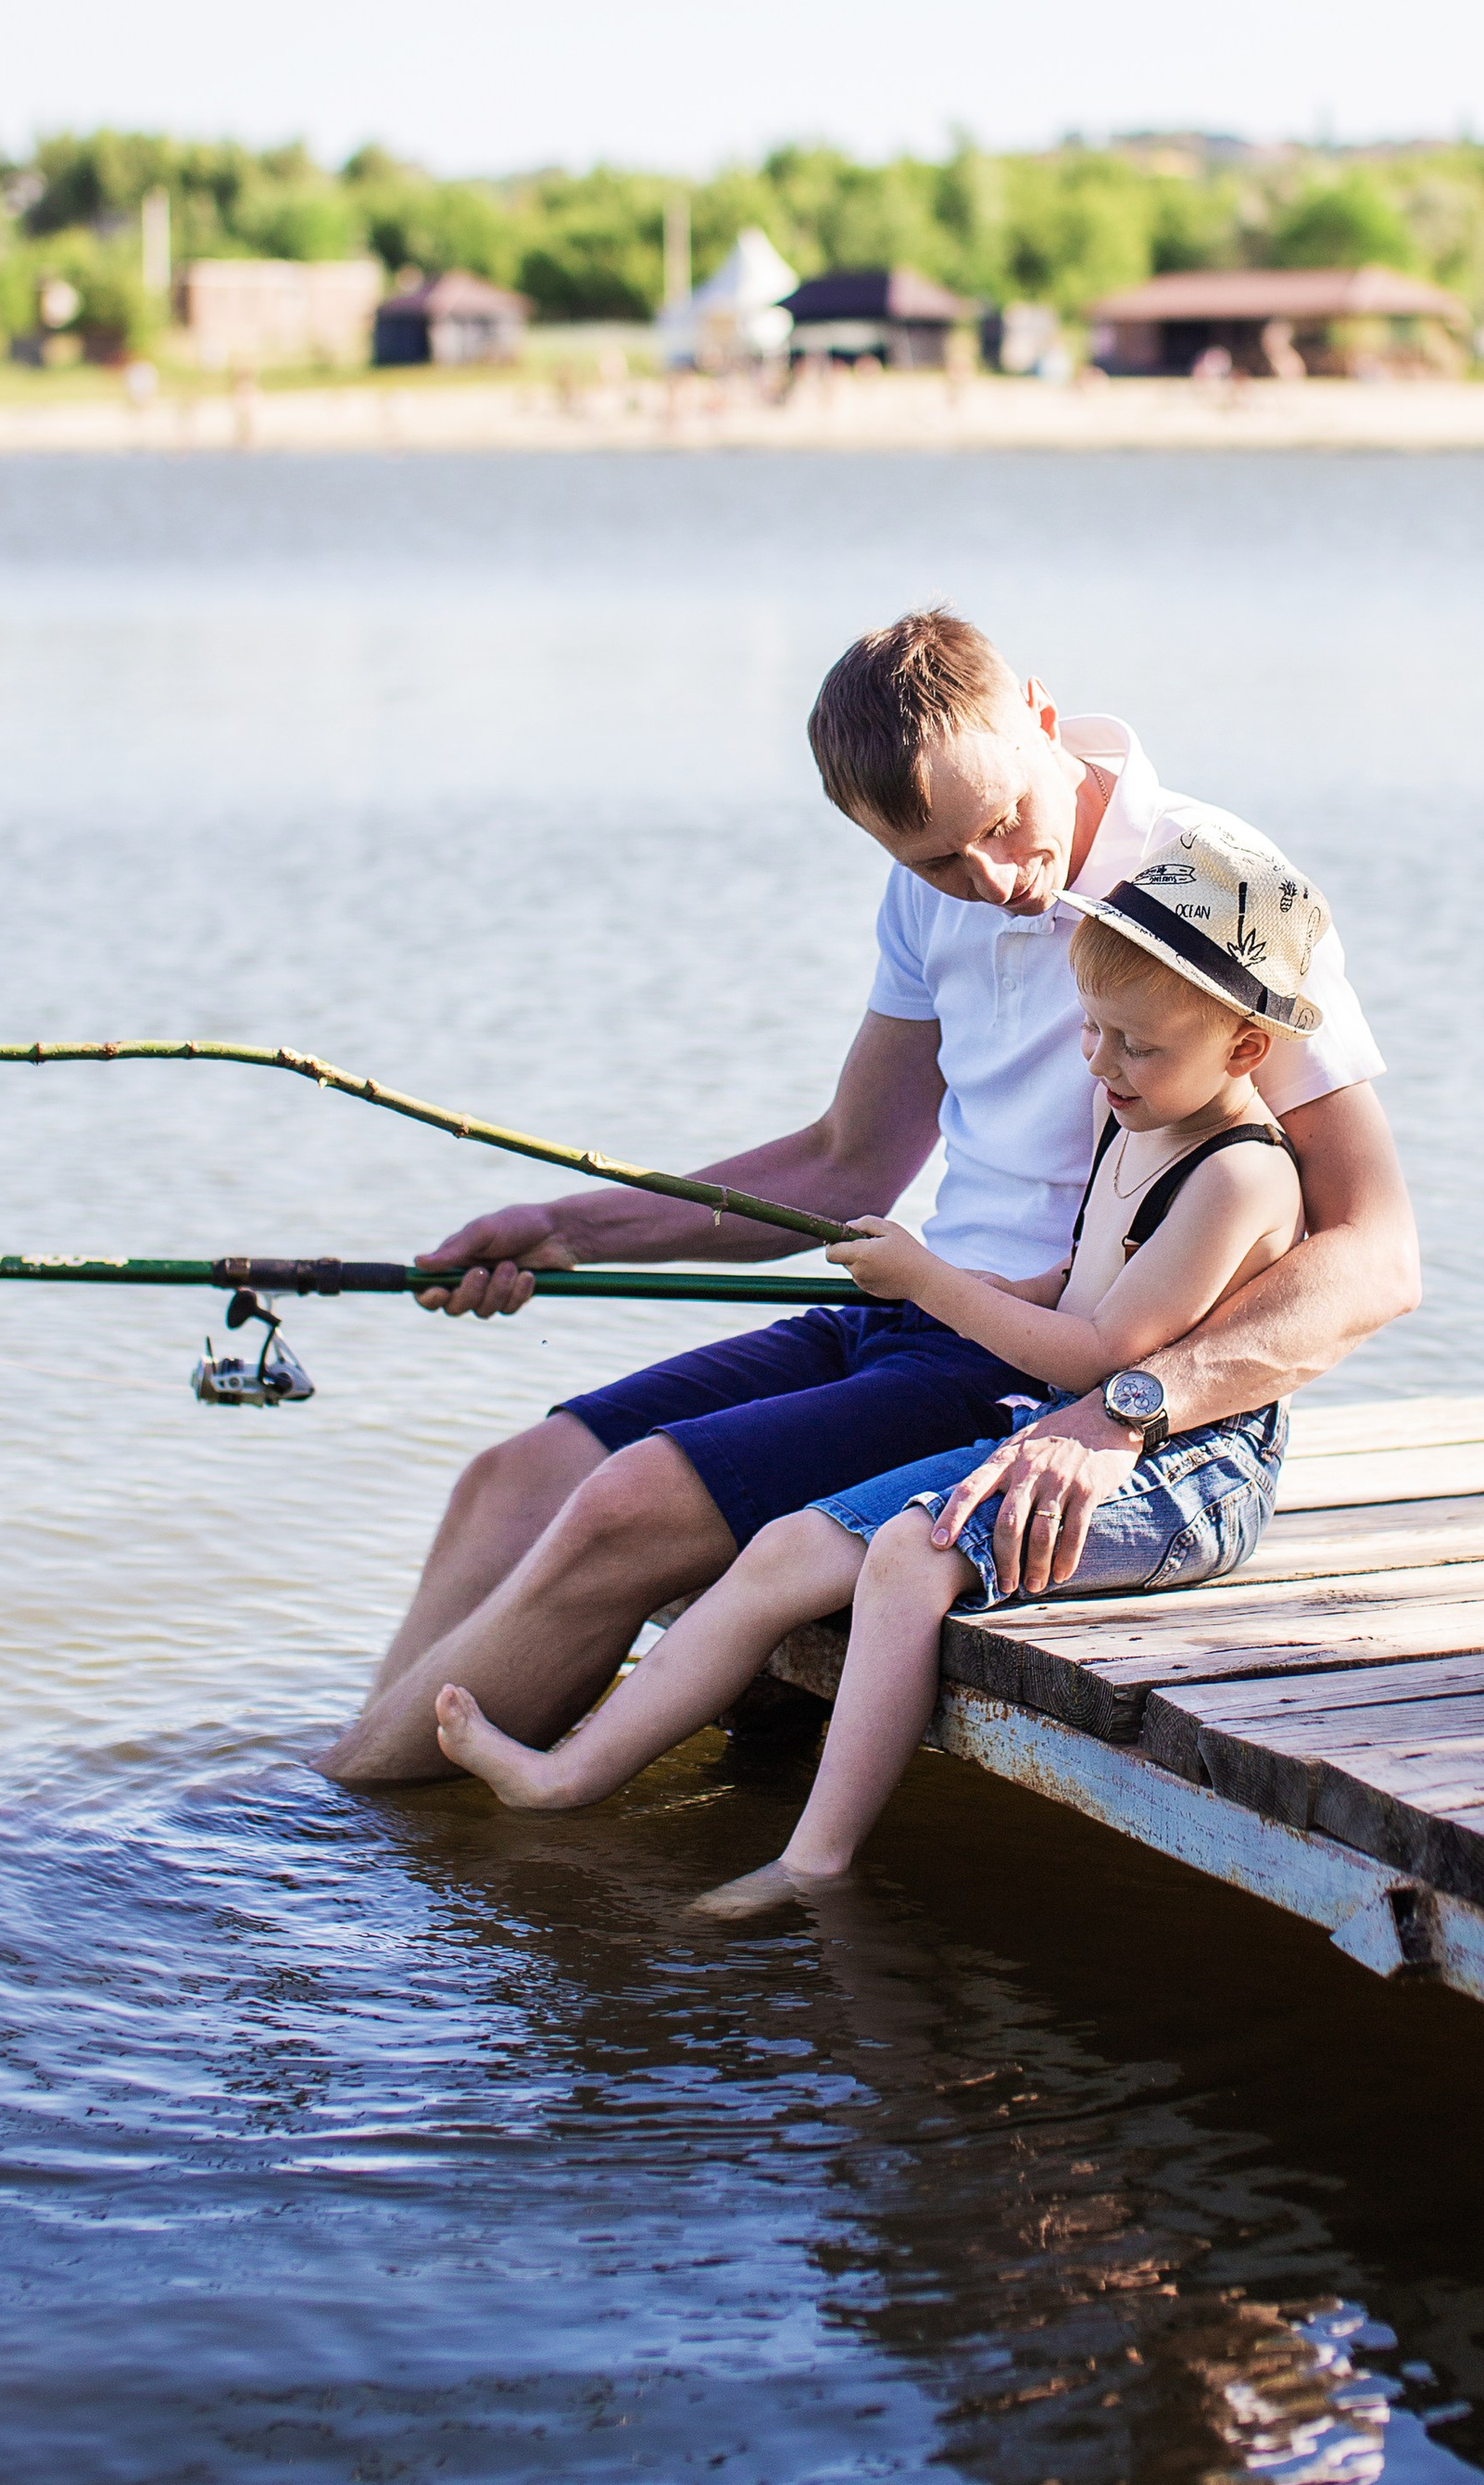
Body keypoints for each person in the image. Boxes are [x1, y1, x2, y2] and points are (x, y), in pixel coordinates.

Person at [320, 609, 1418, 1783]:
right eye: (936, 860)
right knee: (520, 1477)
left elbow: (1375, 1252)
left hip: (1030, 1358)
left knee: (623, 1506)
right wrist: (562, 1232)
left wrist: (1127, 1409)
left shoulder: (1212, 890)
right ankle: (366, 1794)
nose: (991, 879)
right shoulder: (928, 899)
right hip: (913, 1310)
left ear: (1039, 717)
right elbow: (845, 1163)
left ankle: (330, 1828)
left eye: (1003, 825)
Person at [431, 846, 1315, 1902]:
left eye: (1137, 1045)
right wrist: (972, 1279)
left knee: (907, 1556)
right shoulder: (1140, 1117)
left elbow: (1104, 1351)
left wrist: (931, 1286)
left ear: (1245, 1044)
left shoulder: (1238, 1174)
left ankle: (814, 1862)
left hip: (1185, 1472)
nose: (1102, 1062)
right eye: (1090, 1028)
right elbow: (1077, 1283)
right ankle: (566, 1776)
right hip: (1068, 1428)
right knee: (782, 1548)